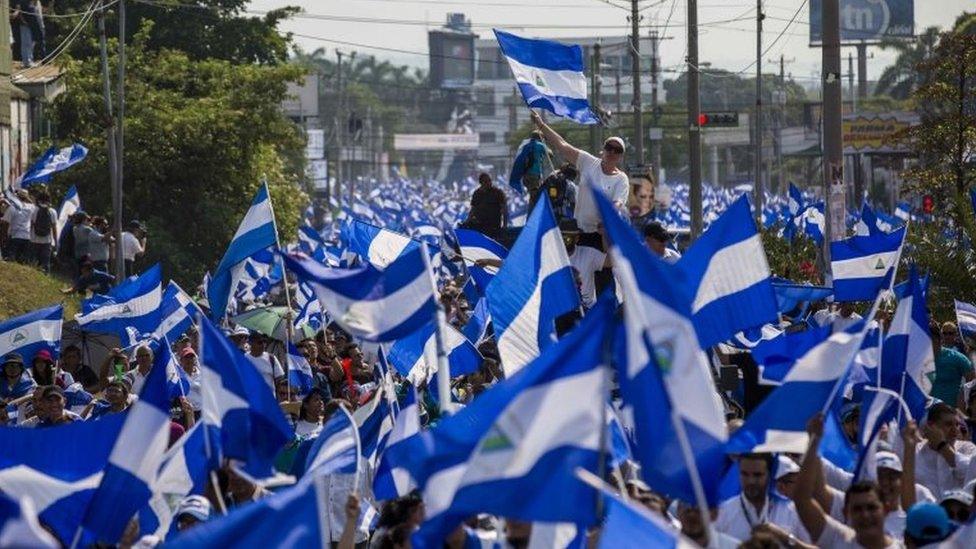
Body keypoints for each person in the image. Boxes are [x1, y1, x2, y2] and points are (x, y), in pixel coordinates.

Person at [793, 413, 902, 548]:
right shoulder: (839, 539)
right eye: (857, 509)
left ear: (886, 509)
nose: (865, 515)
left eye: (871, 507)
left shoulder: (904, 542)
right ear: (846, 512)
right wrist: (814, 441)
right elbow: (802, 499)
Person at [530, 111, 629, 250]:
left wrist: (607, 218)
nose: (612, 152)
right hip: (578, 231)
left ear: (621, 157)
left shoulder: (621, 179)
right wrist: (541, 125)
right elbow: (562, 145)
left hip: (601, 234)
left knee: (602, 270)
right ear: (603, 150)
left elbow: (617, 204)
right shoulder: (588, 161)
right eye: (609, 148)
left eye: (617, 150)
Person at [714, 453, 809, 542]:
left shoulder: (791, 510)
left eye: (757, 475)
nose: (750, 481)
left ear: (770, 475)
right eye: (745, 474)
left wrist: (784, 537)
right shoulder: (724, 512)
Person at [915, 402, 971, 497]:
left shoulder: (967, 448)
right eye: (948, 424)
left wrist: (942, 446)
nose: (955, 430)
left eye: (957, 424)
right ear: (931, 426)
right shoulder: (915, 451)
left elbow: (970, 472)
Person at [560, 218, 608, 310]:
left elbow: (612, 261)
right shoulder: (550, 255)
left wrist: (605, 235)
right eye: (562, 237)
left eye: (567, 238)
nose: (564, 241)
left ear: (577, 238)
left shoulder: (588, 253)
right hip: (559, 312)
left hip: (585, 312)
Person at [929, 323, 974, 407]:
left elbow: (972, 384)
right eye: (945, 333)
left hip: (950, 413)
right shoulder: (918, 360)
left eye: (950, 333)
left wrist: (964, 409)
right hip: (925, 414)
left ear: (938, 339)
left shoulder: (957, 358)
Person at [676, 500, 740, 548]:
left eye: (698, 510)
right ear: (678, 511)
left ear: (714, 514)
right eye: (688, 510)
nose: (692, 515)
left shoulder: (734, 547)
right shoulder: (667, 544)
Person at [464, 172, 508, 240]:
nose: (489, 183)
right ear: (481, 183)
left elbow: (504, 210)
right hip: (480, 225)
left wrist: (505, 226)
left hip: (493, 225)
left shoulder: (497, 192)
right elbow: (473, 209)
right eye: (486, 181)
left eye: (489, 180)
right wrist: (467, 220)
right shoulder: (477, 194)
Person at [520, 131, 552, 210]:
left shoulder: (525, 146)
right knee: (535, 197)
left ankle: (531, 215)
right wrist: (544, 144)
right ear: (540, 138)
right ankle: (532, 217)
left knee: (533, 196)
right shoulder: (540, 145)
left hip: (525, 176)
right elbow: (550, 155)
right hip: (534, 175)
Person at [1, 189, 34, 263]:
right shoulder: (31, 208)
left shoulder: (12, 208)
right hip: (27, 237)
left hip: (14, 237)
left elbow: (5, 223)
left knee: (11, 260)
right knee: (23, 262)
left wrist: (4, 237)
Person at [28, 190, 56, 272]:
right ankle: (45, 278)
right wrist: (56, 241)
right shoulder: (52, 211)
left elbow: (31, 225)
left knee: (33, 262)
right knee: (46, 263)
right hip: (47, 241)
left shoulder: (34, 210)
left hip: (34, 239)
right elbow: (54, 228)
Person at [178, 346, 202, 413]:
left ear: (195, 359)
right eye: (186, 357)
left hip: (201, 412)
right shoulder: (178, 376)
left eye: (191, 357)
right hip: (184, 413)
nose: (189, 360)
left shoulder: (202, 375)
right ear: (181, 360)